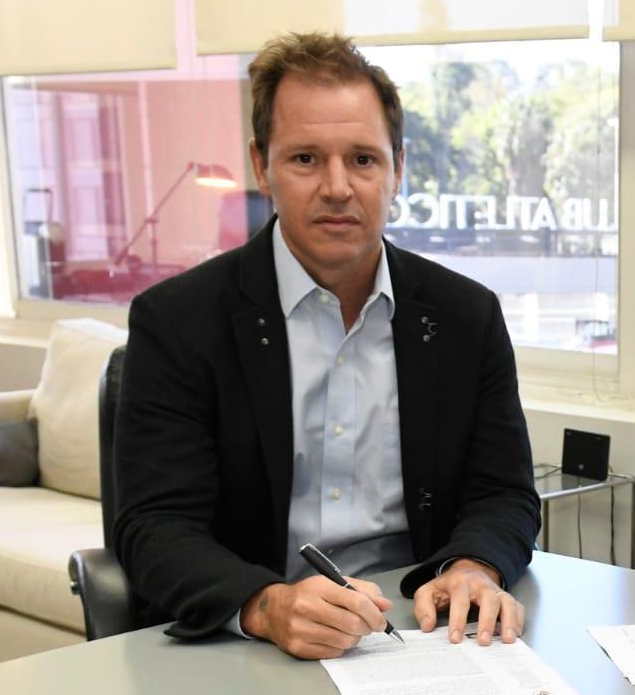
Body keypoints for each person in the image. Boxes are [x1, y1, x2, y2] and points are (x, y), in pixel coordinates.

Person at [112, 33, 540, 660]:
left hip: (420, 637)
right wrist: (265, 604)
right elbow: (153, 526)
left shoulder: (465, 315)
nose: (338, 187)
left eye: (363, 159)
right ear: (262, 165)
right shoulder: (178, 321)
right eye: (306, 159)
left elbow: (503, 492)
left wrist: (474, 566)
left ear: (397, 166)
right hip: (251, 643)